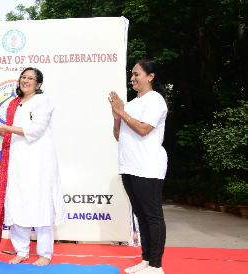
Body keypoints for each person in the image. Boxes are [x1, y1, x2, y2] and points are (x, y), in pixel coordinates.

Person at [0, 67, 66, 266]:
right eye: (23, 77)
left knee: (41, 205)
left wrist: (4, 127)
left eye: (31, 78)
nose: (25, 80)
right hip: (17, 160)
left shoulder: (42, 101)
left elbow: (35, 131)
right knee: (17, 202)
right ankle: (22, 250)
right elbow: (11, 133)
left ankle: (45, 253)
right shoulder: (14, 103)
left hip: (38, 162)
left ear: (39, 84)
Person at [109, 59, 168, 274]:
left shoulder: (155, 100)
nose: (132, 78)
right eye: (132, 74)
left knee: (152, 216)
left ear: (150, 76)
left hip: (148, 165)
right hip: (129, 165)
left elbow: (143, 129)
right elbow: (119, 135)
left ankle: (156, 265)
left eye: (137, 74)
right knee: (141, 216)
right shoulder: (132, 104)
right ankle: (146, 261)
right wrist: (117, 116)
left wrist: (122, 112)